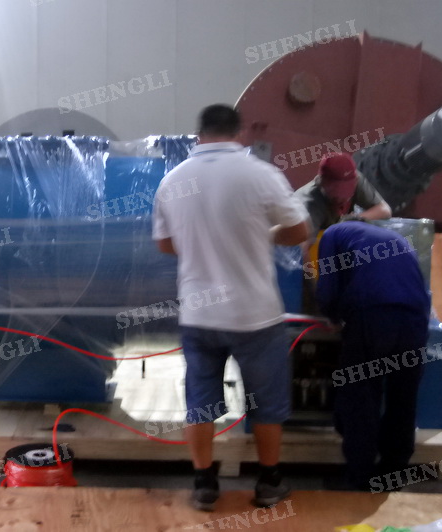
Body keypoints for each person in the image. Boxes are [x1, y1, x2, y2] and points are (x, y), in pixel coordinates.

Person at [153, 104, 309, 510]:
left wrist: (202, 247)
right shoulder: (260, 174)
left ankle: (204, 484)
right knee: (266, 402)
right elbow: (299, 230)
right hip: (254, 314)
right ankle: (269, 483)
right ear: (239, 133)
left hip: (199, 314)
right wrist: (262, 236)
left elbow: (165, 243)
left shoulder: (173, 180)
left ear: (199, 134)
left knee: (200, 401)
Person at [313, 221, 430, 490]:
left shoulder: (331, 233)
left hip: (373, 314)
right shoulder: (395, 238)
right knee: (403, 396)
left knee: (360, 393)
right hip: (416, 318)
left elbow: (327, 289)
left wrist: (332, 317)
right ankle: (394, 471)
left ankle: (360, 477)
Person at [296, 152, 391, 239]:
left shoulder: (354, 178)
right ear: (321, 182)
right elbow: (302, 246)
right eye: (336, 192)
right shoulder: (309, 203)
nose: (343, 198)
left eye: (347, 190)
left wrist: (355, 219)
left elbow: (385, 210)